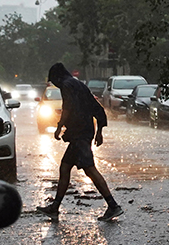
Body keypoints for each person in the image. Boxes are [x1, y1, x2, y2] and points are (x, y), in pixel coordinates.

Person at [36, 63, 124, 221]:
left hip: (79, 135)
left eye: (53, 81)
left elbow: (67, 107)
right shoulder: (78, 84)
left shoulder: (66, 85)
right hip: (84, 132)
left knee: (90, 169)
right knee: (64, 167)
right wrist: (99, 132)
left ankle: (113, 206)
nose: (55, 85)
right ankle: (55, 208)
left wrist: (59, 126)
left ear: (57, 77)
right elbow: (96, 107)